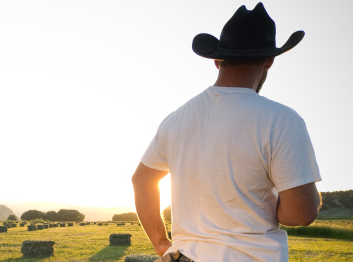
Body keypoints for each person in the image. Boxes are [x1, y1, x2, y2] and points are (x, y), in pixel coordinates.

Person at [131, 3, 322, 262]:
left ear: (216, 60)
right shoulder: (282, 120)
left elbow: (141, 180)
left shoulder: (175, 119)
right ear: (269, 60)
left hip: (182, 256)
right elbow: (302, 213)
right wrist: (272, 206)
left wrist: (161, 242)